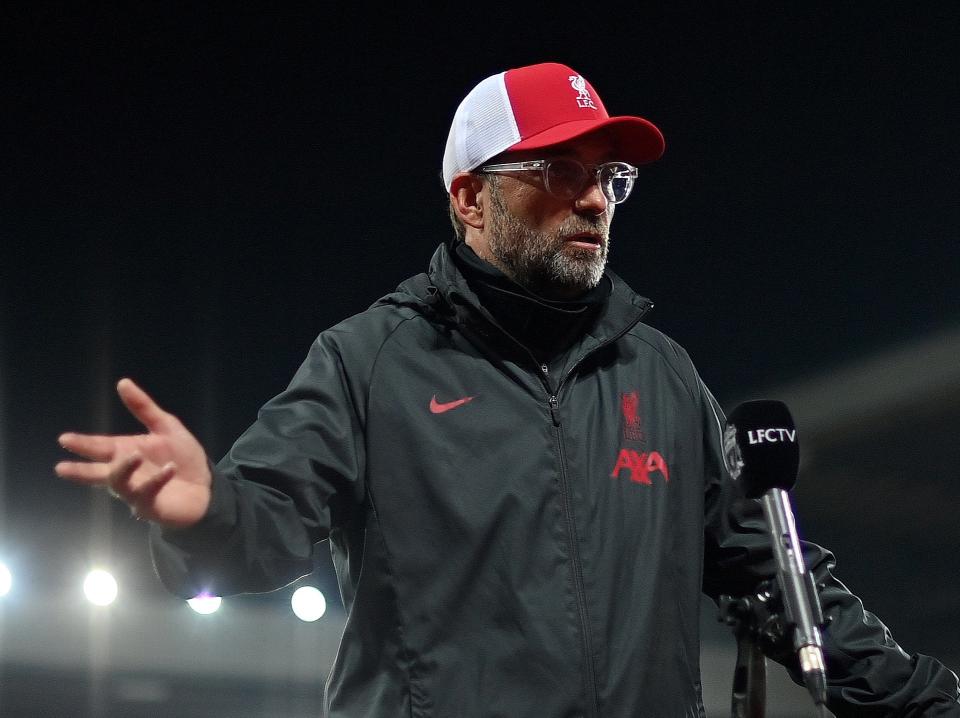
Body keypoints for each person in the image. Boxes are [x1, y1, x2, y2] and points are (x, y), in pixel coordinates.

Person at [56, 62, 959, 717]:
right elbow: (257, 533)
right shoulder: (368, 361)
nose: (596, 199)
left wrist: (931, 703)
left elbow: (780, 584)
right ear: (469, 199)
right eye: (559, 171)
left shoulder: (664, 377)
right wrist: (202, 510)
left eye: (610, 176)